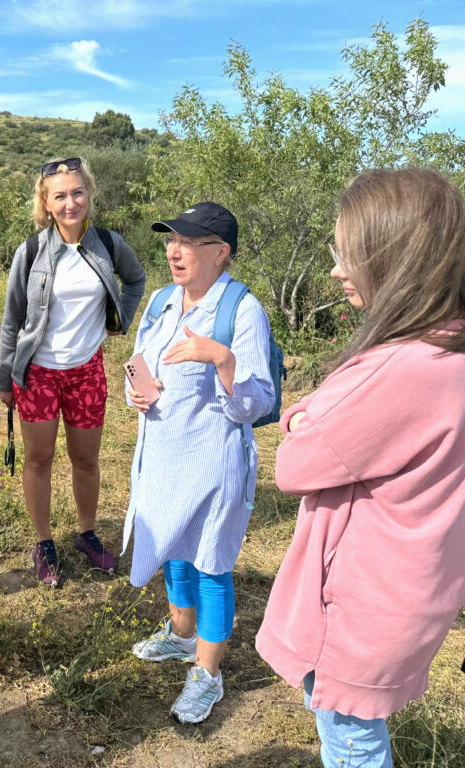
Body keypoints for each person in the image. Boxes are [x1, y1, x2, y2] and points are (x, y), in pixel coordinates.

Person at [255, 168, 465, 767]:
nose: (338, 269)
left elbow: (294, 462)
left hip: (361, 605)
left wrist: (298, 417)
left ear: (396, 258)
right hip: (410, 591)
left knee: (350, 743)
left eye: (350, 254)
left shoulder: (407, 367)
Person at [124, 203, 275, 724]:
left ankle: (207, 674)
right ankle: (182, 635)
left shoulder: (242, 311)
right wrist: (136, 394)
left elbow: (257, 402)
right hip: (164, 455)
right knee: (172, 546)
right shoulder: (163, 300)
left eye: (188, 242)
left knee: (211, 563)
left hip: (214, 460)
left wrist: (224, 360)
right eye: (170, 241)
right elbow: (139, 362)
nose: (174, 251)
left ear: (220, 252)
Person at [0, 157, 146, 587]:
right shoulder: (30, 252)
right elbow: (12, 319)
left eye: (77, 192)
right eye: (59, 195)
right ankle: (44, 542)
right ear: (45, 202)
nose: (70, 203)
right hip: (39, 372)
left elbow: (135, 280)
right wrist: (5, 378)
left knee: (86, 459)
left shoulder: (109, 244)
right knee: (38, 459)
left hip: (86, 371)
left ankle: (86, 533)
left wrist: (119, 320)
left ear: (89, 194)